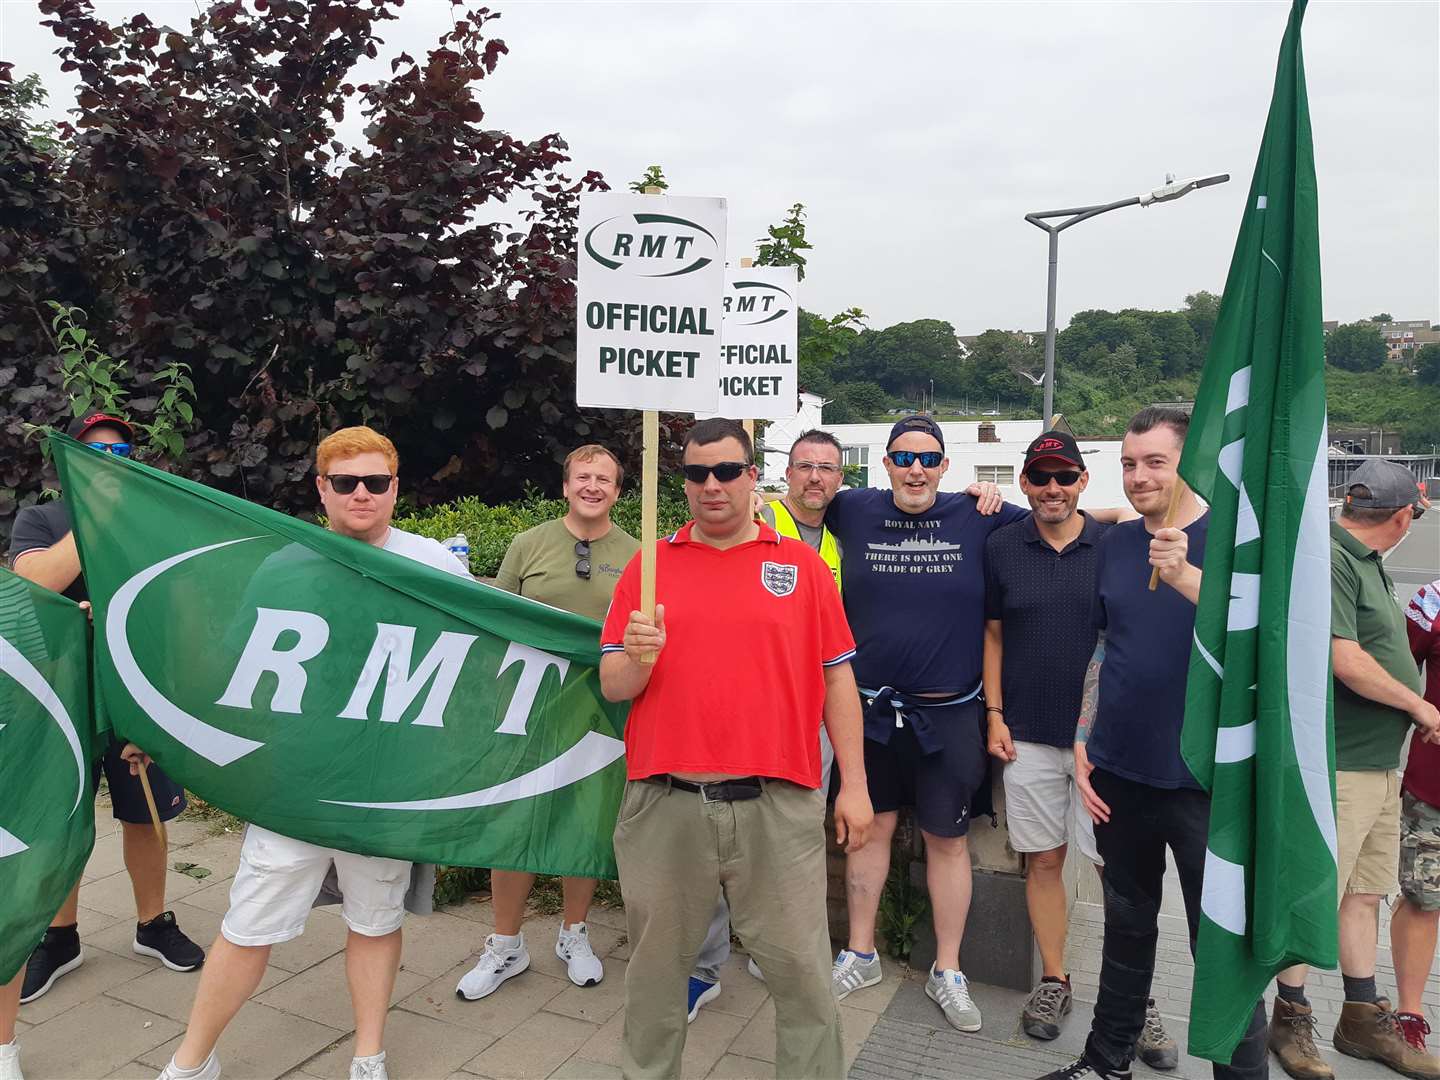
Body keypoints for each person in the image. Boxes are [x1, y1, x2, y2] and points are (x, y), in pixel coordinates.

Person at [158, 426, 471, 1080]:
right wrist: (164, 728)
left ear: (395, 486)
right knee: (247, 925)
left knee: (376, 920)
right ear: (322, 489)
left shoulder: (437, 567)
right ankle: (191, 1061)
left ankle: (368, 1056)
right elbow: (240, 674)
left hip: (384, 787)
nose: (363, 494)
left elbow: (485, 663)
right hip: (295, 785)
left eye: (376, 482)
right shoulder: (285, 564)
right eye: (347, 483)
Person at [599, 418, 873, 1079]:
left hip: (777, 804)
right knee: (656, 982)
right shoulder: (649, 565)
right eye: (697, 473)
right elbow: (614, 684)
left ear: (754, 476)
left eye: (727, 470)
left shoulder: (801, 566)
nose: (712, 485)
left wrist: (857, 786)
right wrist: (638, 657)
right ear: (683, 482)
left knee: (804, 978)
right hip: (667, 803)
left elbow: (838, 677)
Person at [1043, 407, 1266, 1080]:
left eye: (1156, 462)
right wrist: (1084, 737)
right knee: (1127, 927)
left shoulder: (1235, 542)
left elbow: (1269, 648)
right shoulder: (1115, 545)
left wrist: (1189, 578)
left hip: (1206, 783)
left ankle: (1241, 1072)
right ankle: (1106, 1062)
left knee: (1221, 948)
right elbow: (1107, 647)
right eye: (1131, 464)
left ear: (1187, 462)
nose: (1140, 477)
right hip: (1120, 774)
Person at [825, 414, 1030, 1033]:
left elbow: (1065, 520)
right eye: (903, 456)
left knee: (947, 840)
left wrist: (1145, 523)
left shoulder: (982, 514)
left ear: (946, 467)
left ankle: (948, 969)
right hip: (868, 710)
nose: (915, 468)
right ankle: (859, 954)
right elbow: (791, 506)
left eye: (928, 458)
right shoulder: (852, 508)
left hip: (951, 714)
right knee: (868, 829)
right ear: (884, 463)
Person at [10, 413, 206, 1005]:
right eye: (93, 453)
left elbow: (180, 600)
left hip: (135, 688)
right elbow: (38, 581)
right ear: (68, 462)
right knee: (61, 815)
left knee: (145, 811)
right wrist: (92, 515)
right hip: (60, 695)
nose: (108, 461)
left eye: (120, 451)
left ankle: (153, 925)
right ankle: (60, 936)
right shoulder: (39, 519)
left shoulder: (151, 523)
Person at [984, 429, 1168, 1051]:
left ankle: (1134, 996)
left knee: (1119, 870)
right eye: (1041, 477)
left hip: (1105, 743)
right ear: (1025, 484)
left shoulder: (1116, 543)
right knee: (1043, 859)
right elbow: (993, 636)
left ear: (1084, 481)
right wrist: (995, 713)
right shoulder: (1002, 546)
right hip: (1029, 734)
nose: (1053, 489)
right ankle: (1056, 978)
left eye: (1065, 477)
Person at [1266, 459, 1440, 1080]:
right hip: (1336, 765)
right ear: (1401, 517)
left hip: (1375, 765)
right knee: (1316, 894)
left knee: (1364, 892)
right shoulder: (1334, 562)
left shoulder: (1362, 563)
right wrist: (1421, 705)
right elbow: (1343, 657)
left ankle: (1362, 1018)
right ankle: (1289, 1016)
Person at [456, 444, 638, 1001]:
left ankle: (573, 932)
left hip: (598, 711)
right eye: (583, 476)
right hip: (527, 705)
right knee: (517, 820)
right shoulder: (528, 544)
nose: (592, 486)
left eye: (604, 479)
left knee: (583, 820)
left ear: (616, 490)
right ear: (565, 486)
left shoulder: (637, 555)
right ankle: (506, 944)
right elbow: (497, 622)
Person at [687, 429, 845, 1023]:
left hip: (808, 722)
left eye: (826, 469)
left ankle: (769, 953)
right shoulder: (760, 515)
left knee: (786, 847)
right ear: (777, 472)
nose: (814, 477)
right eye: (803, 465)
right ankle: (704, 966)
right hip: (738, 717)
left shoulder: (844, 530)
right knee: (716, 838)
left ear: (840, 479)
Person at [1392, 575, 1440, 1063]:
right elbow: (1397, 673)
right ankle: (1409, 1013)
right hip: (1434, 788)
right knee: (1425, 898)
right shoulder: (1432, 599)